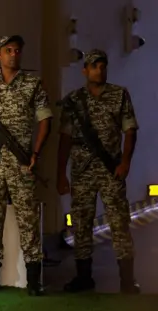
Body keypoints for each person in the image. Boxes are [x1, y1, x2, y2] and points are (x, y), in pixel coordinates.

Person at [0, 35, 53, 296]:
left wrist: (35, 154)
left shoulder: (32, 84)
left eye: (17, 50)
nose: (14, 54)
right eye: (8, 50)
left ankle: (33, 280)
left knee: (27, 219)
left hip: (21, 164)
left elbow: (45, 121)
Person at [56, 49, 140, 294]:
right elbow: (65, 139)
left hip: (110, 169)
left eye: (103, 66)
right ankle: (84, 277)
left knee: (119, 223)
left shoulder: (119, 95)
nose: (99, 70)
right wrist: (61, 173)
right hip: (81, 171)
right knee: (81, 223)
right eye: (94, 66)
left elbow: (130, 131)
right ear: (85, 70)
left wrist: (125, 163)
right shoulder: (73, 100)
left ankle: (127, 279)